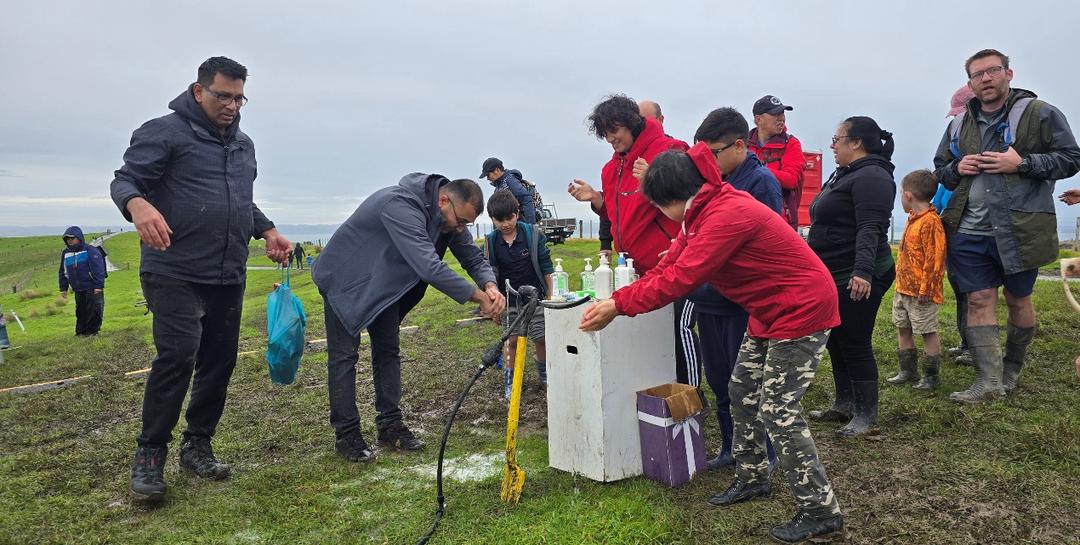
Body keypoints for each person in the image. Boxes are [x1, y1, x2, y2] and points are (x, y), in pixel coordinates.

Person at [580, 144, 845, 544]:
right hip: (767, 309)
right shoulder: (701, 212)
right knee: (741, 391)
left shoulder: (725, 215)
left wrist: (619, 305)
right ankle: (754, 476)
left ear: (670, 200)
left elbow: (680, 279)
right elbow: (670, 265)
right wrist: (625, 294)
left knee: (779, 410)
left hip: (801, 308)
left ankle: (820, 509)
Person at [110, 56, 292, 501]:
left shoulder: (243, 145)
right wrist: (139, 205)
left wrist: (266, 229)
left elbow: (238, 201)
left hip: (227, 271)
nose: (232, 105)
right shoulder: (163, 132)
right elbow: (125, 180)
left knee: (219, 360)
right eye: (222, 96)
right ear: (198, 90)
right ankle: (150, 454)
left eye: (239, 97)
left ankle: (198, 444)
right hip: (173, 269)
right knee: (178, 355)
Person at [312, 176, 506, 462]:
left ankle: (390, 425)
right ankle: (347, 435)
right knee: (344, 357)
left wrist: (490, 285)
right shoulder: (400, 205)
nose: (460, 228)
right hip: (345, 280)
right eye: (461, 221)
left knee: (388, 351)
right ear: (444, 200)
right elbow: (429, 266)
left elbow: (473, 258)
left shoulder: (448, 217)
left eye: (467, 223)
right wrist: (479, 298)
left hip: (384, 287)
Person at [933, 49, 1080, 402]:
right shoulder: (957, 124)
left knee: (1018, 299)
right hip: (969, 230)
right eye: (977, 74)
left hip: (1020, 228)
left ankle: (1011, 370)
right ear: (970, 83)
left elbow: (1071, 159)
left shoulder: (1039, 113)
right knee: (979, 299)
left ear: (1008, 74)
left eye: (992, 71)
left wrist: (1023, 163)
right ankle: (988, 382)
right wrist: (956, 170)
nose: (985, 78)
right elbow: (941, 167)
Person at [567, 94, 701, 388]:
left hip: (672, 263)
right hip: (633, 270)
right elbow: (620, 214)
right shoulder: (610, 168)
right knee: (648, 336)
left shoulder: (670, 151)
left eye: (614, 131)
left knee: (679, 331)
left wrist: (651, 180)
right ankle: (658, 390)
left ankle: (690, 396)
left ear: (631, 123)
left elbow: (693, 203)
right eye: (605, 134)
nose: (610, 139)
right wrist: (596, 200)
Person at [689, 108, 782, 471]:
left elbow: (762, 250)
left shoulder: (760, 183)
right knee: (719, 381)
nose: (706, 161)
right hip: (709, 302)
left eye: (712, 153)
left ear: (739, 145)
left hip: (741, 305)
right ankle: (731, 448)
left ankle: (766, 454)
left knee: (748, 385)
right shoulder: (714, 186)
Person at [807, 116, 896, 437]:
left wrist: (862, 272)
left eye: (837, 139)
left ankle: (865, 415)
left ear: (856, 142)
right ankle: (844, 403)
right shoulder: (847, 173)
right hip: (835, 272)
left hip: (859, 273)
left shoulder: (872, 176)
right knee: (836, 338)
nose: (832, 145)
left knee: (855, 340)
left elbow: (870, 228)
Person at [484, 190, 554, 398]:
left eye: (510, 218)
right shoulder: (490, 242)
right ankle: (510, 381)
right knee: (511, 341)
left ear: (517, 213)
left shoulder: (532, 234)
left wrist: (550, 295)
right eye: (500, 220)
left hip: (536, 298)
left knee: (541, 338)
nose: (506, 224)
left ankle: (545, 377)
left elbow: (546, 266)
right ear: (492, 219)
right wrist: (493, 306)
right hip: (508, 300)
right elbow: (489, 275)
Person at [887, 170, 947, 390]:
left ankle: (931, 377)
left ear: (908, 195)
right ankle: (908, 370)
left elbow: (935, 259)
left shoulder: (931, 222)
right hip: (903, 289)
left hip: (922, 294)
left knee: (927, 331)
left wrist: (927, 290)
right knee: (903, 327)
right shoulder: (913, 219)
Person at [933, 85, 978, 366]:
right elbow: (941, 187)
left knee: (974, 291)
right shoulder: (954, 156)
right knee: (961, 288)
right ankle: (965, 342)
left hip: (969, 227)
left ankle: (975, 346)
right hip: (951, 225)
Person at [748, 95, 805, 230]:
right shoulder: (742, 143)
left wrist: (755, 168)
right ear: (758, 119)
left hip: (779, 221)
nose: (782, 118)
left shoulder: (791, 143)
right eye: (775, 114)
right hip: (746, 216)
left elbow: (791, 180)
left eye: (782, 113)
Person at [58, 226, 107, 336]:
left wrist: (98, 285)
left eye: (72, 238)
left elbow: (98, 269)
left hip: (92, 286)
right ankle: (81, 331)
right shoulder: (66, 253)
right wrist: (63, 288)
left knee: (94, 309)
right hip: (78, 288)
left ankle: (93, 331)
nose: (70, 241)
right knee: (80, 310)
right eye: (67, 239)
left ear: (79, 237)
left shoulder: (90, 250)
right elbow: (63, 271)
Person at [479, 157, 536, 223]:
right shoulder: (500, 185)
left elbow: (526, 199)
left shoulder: (509, 181)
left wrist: (531, 225)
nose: (487, 178)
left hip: (521, 225)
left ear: (497, 170)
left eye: (488, 175)